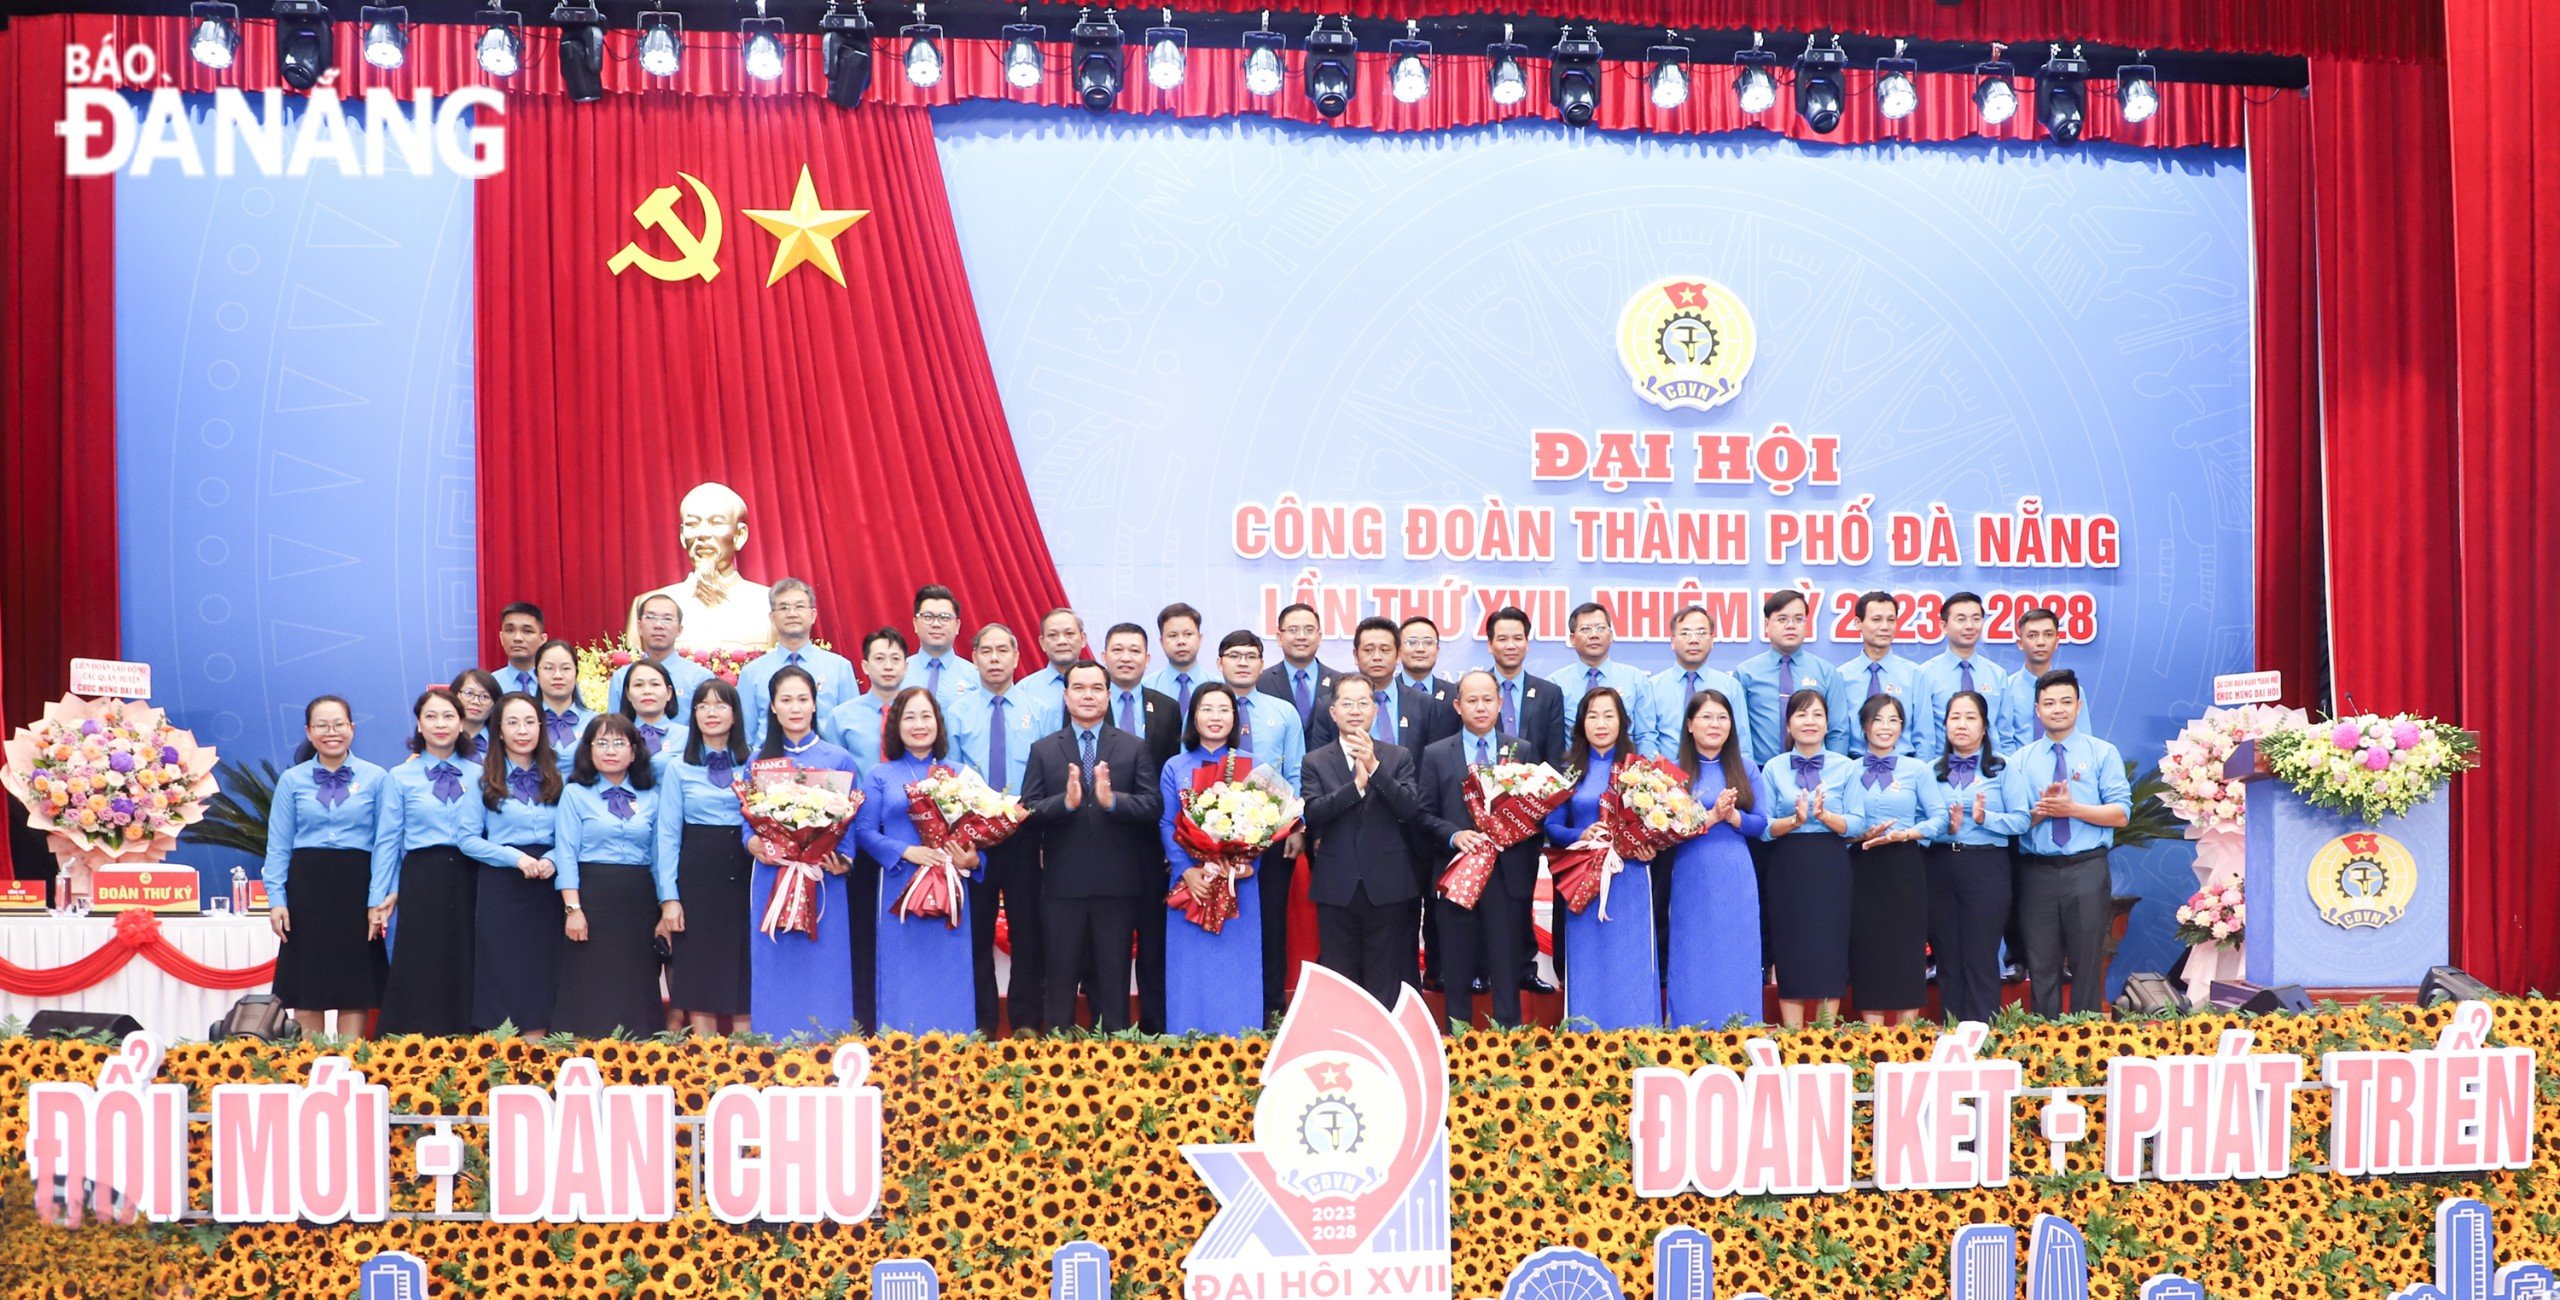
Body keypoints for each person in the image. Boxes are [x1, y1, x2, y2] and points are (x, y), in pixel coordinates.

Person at [1021, 661, 1162, 1032]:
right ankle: (1057, 1062)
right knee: (1060, 977)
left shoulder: (1134, 748)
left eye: (1097, 688)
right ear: (1065, 696)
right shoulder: (1044, 749)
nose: (1088, 695)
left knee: (1114, 980)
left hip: (1117, 885)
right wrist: (1063, 805)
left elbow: (1152, 806)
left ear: (1108, 695)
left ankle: (1116, 1062)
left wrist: (1112, 800)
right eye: (1079, 688)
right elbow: (1028, 809)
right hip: (1061, 885)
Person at [947, 622, 1062, 1035]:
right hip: (973, 838)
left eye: (1002, 651)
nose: (994, 659)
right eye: (986, 652)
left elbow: (1053, 774)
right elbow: (950, 778)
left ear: (1017, 657)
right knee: (974, 932)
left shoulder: (1043, 710)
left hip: (1026, 833)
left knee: (1028, 931)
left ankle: (1027, 1022)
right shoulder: (956, 711)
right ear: (974, 658)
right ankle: (980, 1023)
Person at [2002, 669, 2132, 1017]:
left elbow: (2120, 814)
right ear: (2037, 710)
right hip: (2036, 872)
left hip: (2086, 869)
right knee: (2040, 964)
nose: (2057, 709)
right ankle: (2045, 1043)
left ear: (2078, 706)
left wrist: (2072, 809)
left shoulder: (2103, 753)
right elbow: (2013, 822)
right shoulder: (2020, 761)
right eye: (2048, 703)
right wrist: (2042, 812)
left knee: (2086, 962)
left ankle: (2083, 1041)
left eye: (2065, 701)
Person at [1414, 670, 1537, 1029]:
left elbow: (1535, 811)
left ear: (1500, 704)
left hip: (1505, 873)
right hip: (1456, 873)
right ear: (1457, 705)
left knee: (1505, 962)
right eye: (1472, 700)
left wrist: (1512, 830)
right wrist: (1455, 836)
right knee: (1456, 963)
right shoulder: (1437, 754)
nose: (1480, 707)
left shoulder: (1521, 750)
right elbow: (1423, 813)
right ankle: (1458, 1044)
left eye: (1488, 699)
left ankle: (1509, 1040)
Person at [745, 666, 863, 1036]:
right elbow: (746, 823)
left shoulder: (838, 759)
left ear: (815, 705)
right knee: (776, 963)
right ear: (773, 708)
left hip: (823, 879)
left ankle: (830, 1045)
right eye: (786, 700)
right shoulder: (758, 763)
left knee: (825, 966)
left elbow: (852, 821)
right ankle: (773, 1045)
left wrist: (843, 860)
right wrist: (754, 844)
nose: (795, 707)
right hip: (773, 878)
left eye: (803, 699)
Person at [262, 695, 389, 1038]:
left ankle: (351, 1065)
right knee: (308, 989)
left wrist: (378, 899)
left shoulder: (377, 778)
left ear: (352, 728)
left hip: (357, 886)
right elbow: (278, 845)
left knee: (355, 988)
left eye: (339, 724)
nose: (331, 732)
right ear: (308, 731)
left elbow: (385, 844)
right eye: (321, 725)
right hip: (308, 888)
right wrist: (277, 899)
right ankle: (312, 1067)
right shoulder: (292, 780)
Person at [856, 686, 980, 1036]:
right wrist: (905, 851)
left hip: (952, 888)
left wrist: (972, 859)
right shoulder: (880, 774)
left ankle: (955, 1054)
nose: (918, 724)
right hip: (899, 887)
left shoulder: (960, 773)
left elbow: (981, 829)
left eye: (926, 716)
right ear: (895, 726)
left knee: (949, 971)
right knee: (900, 972)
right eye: (909, 717)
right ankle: (897, 1050)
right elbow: (864, 830)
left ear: (939, 724)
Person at [549, 714, 679, 1039]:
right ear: (588, 750)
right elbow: (565, 853)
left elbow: (658, 856)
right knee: (591, 984)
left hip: (639, 901)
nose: (611, 750)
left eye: (620, 743)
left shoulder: (651, 798)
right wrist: (572, 909)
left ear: (634, 752)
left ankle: (639, 1062)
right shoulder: (576, 794)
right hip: (592, 898)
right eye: (602, 743)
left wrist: (665, 907)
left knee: (636, 983)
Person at [369, 686, 488, 1037]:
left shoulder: (480, 773)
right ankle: (413, 1041)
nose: (440, 724)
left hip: (472, 873)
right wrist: (381, 895)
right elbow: (388, 839)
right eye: (431, 717)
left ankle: (468, 1037)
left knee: (467, 956)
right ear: (419, 726)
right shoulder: (400, 776)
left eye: (449, 716)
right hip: (423, 874)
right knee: (420, 958)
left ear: (462, 723)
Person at [1644, 604, 1754, 980]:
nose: (1693, 639)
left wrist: (1737, 791)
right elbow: (1646, 743)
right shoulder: (1653, 686)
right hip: (1664, 801)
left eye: (1701, 631)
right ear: (1671, 638)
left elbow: (1744, 747)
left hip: (1721, 792)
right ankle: (1663, 973)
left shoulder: (1731, 686)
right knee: (1663, 895)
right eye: (1685, 632)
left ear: (1713, 638)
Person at [1302, 678, 1426, 1011]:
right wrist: (1356, 786)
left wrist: (1374, 768)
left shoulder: (1397, 756)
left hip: (1388, 884)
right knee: (1340, 978)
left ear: (1375, 709)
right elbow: (1314, 812)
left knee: (1385, 975)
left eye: (1362, 703)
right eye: (1347, 703)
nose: (1355, 711)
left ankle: (1384, 1050)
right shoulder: (1315, 760)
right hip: (1336, 884)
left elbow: (1409, 808)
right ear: (1333, 711)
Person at [1541, 688, 1658, 1029]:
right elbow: (1551, 825)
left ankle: (1638, 1033)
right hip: (1583, 880)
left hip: (1631, 876)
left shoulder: (1640, 770)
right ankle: (1585, 1035)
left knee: (1630, 958)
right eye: (1593, 715)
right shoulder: (1569, 770)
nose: (1601, 723)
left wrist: (1650, 848)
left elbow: (1656, 824)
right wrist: (1581, 835)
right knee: (1588, 960)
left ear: (1622, 722)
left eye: (1609, 715)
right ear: (1581, 723)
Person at [1157, 685, 1263, 1034]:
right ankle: (1187, 1042)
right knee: (1191, 972)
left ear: (1236, 718)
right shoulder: (1175, 766)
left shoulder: (1252, 766)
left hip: (1238, 886)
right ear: (1194, 717)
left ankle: (1242, 1046)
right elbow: (1166, 821)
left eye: (1224, 710)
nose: (1215, 717)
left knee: (1236, 969)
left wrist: (1247, 865)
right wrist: (1186, 870)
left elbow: (1267, 823)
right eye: (1207, 709)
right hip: (1193, 887)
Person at [458, 694, 564, 1034]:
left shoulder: (560, 778)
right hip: (502, 885)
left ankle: (540, 1052)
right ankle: (501, 1055)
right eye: (513, 723)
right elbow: (467, 838)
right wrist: (513, 857)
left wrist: (552, 858)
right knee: (503, 968)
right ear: (499, 731)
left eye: (530, 722)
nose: (523, 730)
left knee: (543, 969)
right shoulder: (482, 779)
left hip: (548, 888)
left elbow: (575, 835)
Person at [1217, 630, 1308, 1018]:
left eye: (1251, 656)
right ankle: (1228, 1007)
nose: (1242, 662)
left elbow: (1297, 772)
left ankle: (1271, 1010)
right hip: (1214, 839)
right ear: (1220, 661)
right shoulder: (1208, 706)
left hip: (1273, 837)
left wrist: (1298, 827)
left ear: (1261, 662)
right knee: (1224, 925)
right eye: (1234, 655)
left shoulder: (1283, 711)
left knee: (1270, 924)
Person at [657, 678, 755, 1035]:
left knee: (743, 966)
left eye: (720, 705)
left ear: (735, 714)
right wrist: (669, 898)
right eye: (702, 706)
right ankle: (706, 1058)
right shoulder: (678, 769)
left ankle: (749, 1058)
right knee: (699, 967)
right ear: (693, 714)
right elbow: (667, 837)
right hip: (697, 874)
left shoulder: (755, 764)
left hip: (746, 870)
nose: (711, 713)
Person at [821, 625, 908, 1029]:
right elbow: (829, 779)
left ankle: (900, 1017)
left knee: (901, 933)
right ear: (864, 666)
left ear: (907, 665)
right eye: (880, 659)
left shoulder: (922, 712)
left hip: (909, 841)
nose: (888, 666)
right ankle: (861, 1023)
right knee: (859, 934)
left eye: (895, 659)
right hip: (856, 840)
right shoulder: (842, 717)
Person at [1666, 690, 1768, 1027]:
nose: (1715, 724)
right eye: (1707, 717)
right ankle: (1690, 1030)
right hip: (1692, 870)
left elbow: (1761, 823)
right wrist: (1710, 816)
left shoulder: (1746, 768)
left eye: (1722, 717)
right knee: (1693, 952)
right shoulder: (1675, 771)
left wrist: (1734, 818)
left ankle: (1742, 1029)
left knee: (1736, 951)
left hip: (1735, 871)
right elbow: (1667, 828)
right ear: (1690, 724)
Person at [1756, 690, 1858, 1028]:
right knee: (1791, 946)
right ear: (1788, 724)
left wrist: (1825, 817)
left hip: (1830, 862)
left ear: (1828, 724)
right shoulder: (1772, 768)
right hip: (1788, 862)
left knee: (1830, 945)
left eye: (1816, 715)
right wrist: (1795, 822)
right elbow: (1764, 826)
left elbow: (1857, 821)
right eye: (1801, 715)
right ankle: (1793, 1036)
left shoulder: (1847, 767)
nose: (1809, 721)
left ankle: (1826, 1037)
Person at [1922, 691, 2024, 1025]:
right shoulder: (1929, 772)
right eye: (1955, 717)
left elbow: (2022, 820)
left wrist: (1986, 819)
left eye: (1970, 717)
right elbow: (1919, 823)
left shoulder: (2003, 769)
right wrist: (1943, 829)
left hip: (1986, 866)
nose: (1961, 725)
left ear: (1984, 727)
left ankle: (1982, 1039)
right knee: (1948, 958)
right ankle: (1951, 1038)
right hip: (1939, 866)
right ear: (1945, 725)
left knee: (1981, 956)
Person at [1481, 604, 1562, 998]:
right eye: (1502, 638)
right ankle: (1483, 968)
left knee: (1521, 891)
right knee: (1481, 895)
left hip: (1529, 817)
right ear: (1490, 644)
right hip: (1481, 817)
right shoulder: (1476, 688)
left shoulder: (1548, 693)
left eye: (1518, 637)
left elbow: (1553, 753)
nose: (1510, 645)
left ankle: (1524, 967)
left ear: (1528, 642)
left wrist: (1538, 810)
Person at [1843, 695, 1933, 1026]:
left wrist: (1907, 834)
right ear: (1865, 726)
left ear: (1902, 727)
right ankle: (1872, 1034)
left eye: (1893, 720)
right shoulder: (1848, 769)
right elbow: (1838, 823)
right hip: (1862, 866)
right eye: (1878, 720)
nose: (1885, 727)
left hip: (1904, 865)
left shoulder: (1918, 769)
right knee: (1867, 948)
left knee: (1907, 947)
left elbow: (1936, 820)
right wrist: (1857, 835)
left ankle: (1907, 1036)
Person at [622, 482, 779, 654]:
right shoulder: (647, 605)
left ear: (740, 535)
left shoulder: (771, 604)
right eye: (692, 524)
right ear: (682, 536)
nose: (703, 534)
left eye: (716, 522)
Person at [738, 579, 856, 750]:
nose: (792, 613)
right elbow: (744, 736)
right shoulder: (752, 673)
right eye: (784, 607)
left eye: (799, 606)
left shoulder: (839, 668)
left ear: (813, 615)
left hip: (827, 767)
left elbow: (851, 728)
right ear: (772, 617)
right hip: (769, 765)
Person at [1310, 616, 1453, 752]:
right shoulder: (1329, 705)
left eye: (1385, 650)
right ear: (1355, 655)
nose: (1377, 657)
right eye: (1368, 650)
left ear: (1398, 655)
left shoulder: (1424, 704)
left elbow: (1431, 762)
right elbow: (1320, 763)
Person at [1736, 590, 1837, 770]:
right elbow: (1740, 731)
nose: (1791, 625)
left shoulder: (1826, 671)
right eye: (1782, 619)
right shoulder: (1746, 672)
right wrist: (1748, 773)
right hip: (1761, 769)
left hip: (1816, 769)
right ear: (1767, 625)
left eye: (1798, 619)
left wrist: (1833, 770)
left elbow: (1838, 730)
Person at [1550, 603, 1659, 760]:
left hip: (1625, 775)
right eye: (1586, 629)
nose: (1594, 635)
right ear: (1572, 639)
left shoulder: (1635, 679)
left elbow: (1645, 736)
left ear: (1611, 635)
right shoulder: (1555, 684)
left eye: (1600, 628)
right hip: (1572, 774)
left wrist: (1646, 777)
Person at [1826, 591, 1925, 758]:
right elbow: (1837, 734)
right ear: (1858, 623)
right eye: (1876, 619)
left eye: (1891, 620)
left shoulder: (1914, 674)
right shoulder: (1841, 676)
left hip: (1903, 767)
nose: (1885, 627)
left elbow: (1924, 737)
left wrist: (1919, 776)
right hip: (1854, 765)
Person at [1916, 592, 2010, 759]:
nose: (1969, 626)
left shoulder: (1997, 674)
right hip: (1943, 769)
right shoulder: (1925, 674)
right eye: (1961, 619)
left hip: (1990, 770)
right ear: (1943, 626)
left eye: (1976, 619)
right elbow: (1924, 735)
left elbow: (2005, 734)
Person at [1996, 607, 2098, 755]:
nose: (2041, 642)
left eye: (2048, 635)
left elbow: (2083, 740)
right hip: (2017, 770)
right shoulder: (2006, 688)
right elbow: (2002, 740)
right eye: (2032, 635)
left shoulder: (2073, 691)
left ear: (2057, 641)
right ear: (2020, 643)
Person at [607, 593, 716, 719]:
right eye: (651, 617)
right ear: (639, 627)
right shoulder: (621, 677)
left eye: (667, 619)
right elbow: (614, 728)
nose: (658, 625)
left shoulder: (700, 677)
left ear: (679, 630)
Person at [1258, 602, 1345, 745]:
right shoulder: (1261, 681)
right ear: (1279, 637)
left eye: (1309, 630)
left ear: (1320, 636)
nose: (1301, 636)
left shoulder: (1340, 683)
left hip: (1328, 766)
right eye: (1293, 630)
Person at [530, 639, 596, 775]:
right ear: (536, 674)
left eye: (565, 668)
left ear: (576, 673)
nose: (557, 676)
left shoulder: (595, 723)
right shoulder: (526, 722)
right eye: (549, 668)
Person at [908, 584, 977, 709]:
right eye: (928, 617)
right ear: (915, 624)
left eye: (944, 618)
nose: (936, 624)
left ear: (957, 626)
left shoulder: (975, 677)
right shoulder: (899, 673)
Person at [1141, 602, 1207, 715]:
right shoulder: (1146, 687)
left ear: (1200, 638)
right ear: (1161, 641)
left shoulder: (1219, 686)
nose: (1181, 641)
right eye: (1173, 635)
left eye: (1188, 634)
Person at [618, 660, 690, 758]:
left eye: (655, 684)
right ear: (628, 694)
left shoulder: (688, 736)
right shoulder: (618, 737)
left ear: (669, 693)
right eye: (638, 685)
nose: (647, 691)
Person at [1015, 607, 1086, 707]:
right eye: (1053, 635)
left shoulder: (1102, 684)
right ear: (1042, 643)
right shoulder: (1024, 690)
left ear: (1083, 639)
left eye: (1069, 634)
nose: (1062, 641)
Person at [1395, 616, 1458, 707]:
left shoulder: (1455, 694)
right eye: (1412, 642)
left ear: (1437, 650)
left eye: (1428, 642)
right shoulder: (1387, 693)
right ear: (1399, 650)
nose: (1420, 649)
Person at [487, 602, 546, 697]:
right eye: (510, 630)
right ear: (501, 638)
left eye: (527, 631)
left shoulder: (555, 682)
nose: (517, 638)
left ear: (542, 639)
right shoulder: (490, 684)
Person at [447, 669, 500, 762]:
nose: (475, 701)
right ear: (454, 695)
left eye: (485, 697)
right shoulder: (440, 738)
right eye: (469, 693)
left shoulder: (502, 741)